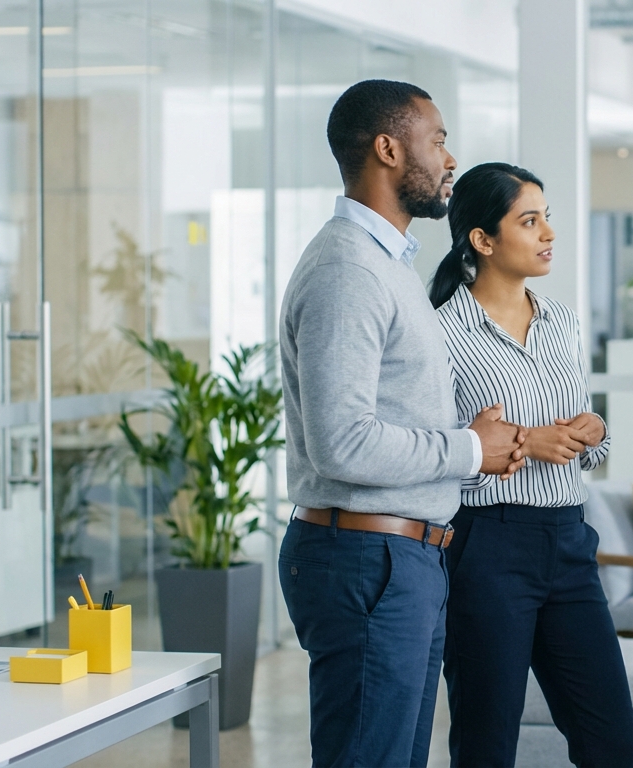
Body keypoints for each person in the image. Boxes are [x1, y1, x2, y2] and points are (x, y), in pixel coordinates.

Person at [277, 80, 525, 768]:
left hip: (401, 558)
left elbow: (384, 410)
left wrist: (466, 436)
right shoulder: (347, 270)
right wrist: (470, 448)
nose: (450, 157)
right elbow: (343, 442)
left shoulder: (386, 265)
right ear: (389, 149)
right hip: (366, 560)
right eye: (437, 138)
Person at [430, 163, 633, 768]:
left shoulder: (563, 324)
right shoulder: (441, 336)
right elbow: (438, 460)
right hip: (487, 548)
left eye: (547, 217)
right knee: (487, 744)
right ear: (482, 240)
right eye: (529, 220)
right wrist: (526, 442)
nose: (548, 232)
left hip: (570, 542)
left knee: (611, 743)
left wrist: (593, 432)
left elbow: (589, 447)